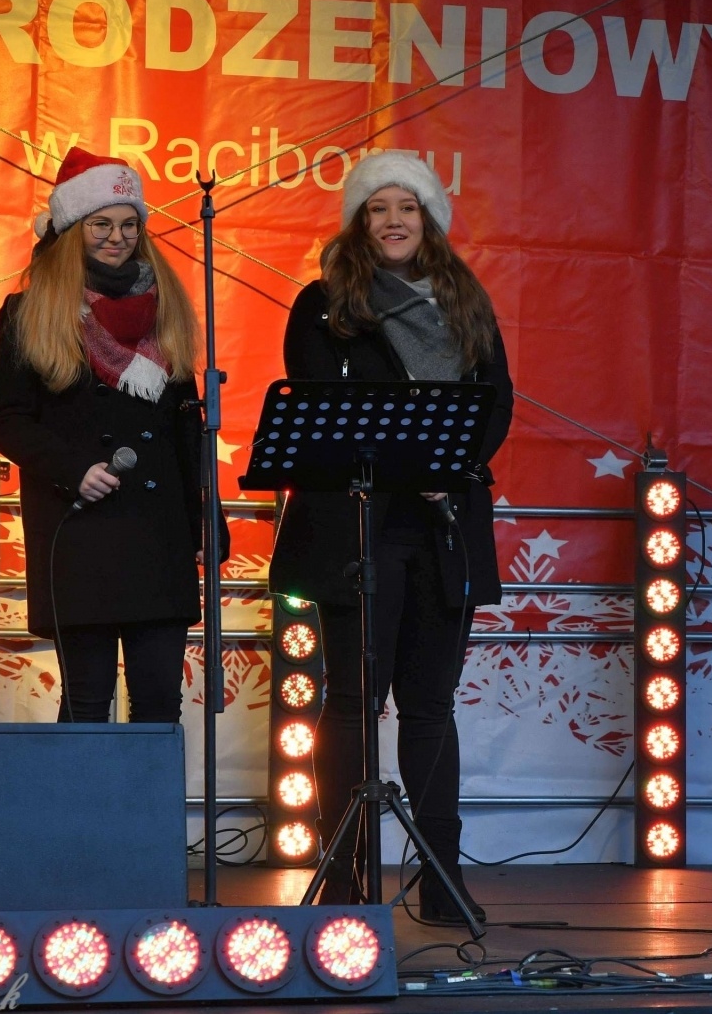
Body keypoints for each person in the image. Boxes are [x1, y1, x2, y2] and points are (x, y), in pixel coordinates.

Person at [269, 151, 512, 925]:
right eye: (380, 209)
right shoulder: (322, 305)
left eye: (409, 207)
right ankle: (340, 876)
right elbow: (322, 408)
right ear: (359, 223)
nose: (396, 221)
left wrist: (461, 461)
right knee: (349, 703)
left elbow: (495, 399)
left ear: (430, 219)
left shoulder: (466, 300)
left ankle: (442, 878)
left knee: (432, 705)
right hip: (357, 528)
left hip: (442, 532)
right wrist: (417, 457)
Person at [0, 147, 217, 724]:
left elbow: (185, 430)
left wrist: (206, 521)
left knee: (160, 705)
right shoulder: (29, 313)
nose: (116, 237)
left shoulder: (168, 311)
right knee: (86, 702)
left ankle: (143, 819)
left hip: (157, 535)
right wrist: (74, 469)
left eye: (128, 224)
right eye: (101, 225)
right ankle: (80, 818)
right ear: (72, 231)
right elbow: (7, 419)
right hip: (79, 529)